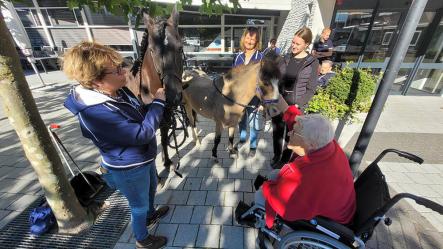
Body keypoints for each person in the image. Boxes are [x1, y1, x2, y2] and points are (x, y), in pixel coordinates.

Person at [63, 41, 169, 249]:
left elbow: (138, 113)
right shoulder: (96, 112)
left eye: (122, 65)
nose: (125, 71)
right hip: (128, 167)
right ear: (96, 81)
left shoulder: (118, 91)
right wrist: (158, 103)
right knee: (137, 205)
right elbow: (141, 134)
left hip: (143, 158)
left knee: (150, 190)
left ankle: (150, 214)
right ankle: (142, 238)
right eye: (117, 69)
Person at [255, 107, 356, 229]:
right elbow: (299, 125)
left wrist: (266, 187)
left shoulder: (306, 176)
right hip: (343, 205)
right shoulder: (328, 144)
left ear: (311, 144)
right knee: (275, 174)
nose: (288, 133)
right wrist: (279, 100)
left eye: (294, 132)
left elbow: (287, 210)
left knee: (260, 194)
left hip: (333, 222)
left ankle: (261, 223)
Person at [271, 27, 319, 167]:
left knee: (291, 136)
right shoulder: (284, 58)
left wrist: (297, 105)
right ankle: (276, 156)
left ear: (306, 45)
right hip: (279, 102)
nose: (294, 45)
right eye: (293, 42)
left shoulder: (312, 62)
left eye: (298, 44)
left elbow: (311, 89)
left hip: (295, 106)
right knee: (277, 132)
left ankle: (284, 160)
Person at [233, 27, 264, 157]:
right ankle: (242, 139)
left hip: (254, 98)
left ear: (257, 41)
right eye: (248, 37)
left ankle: (252, 145)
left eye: (253, 38)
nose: (249, 40)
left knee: (253, 122)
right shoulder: (238, 56)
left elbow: (264, 81)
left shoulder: (261, 57)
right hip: (239, 98)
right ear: (243, 38)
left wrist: (263, 102)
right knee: (241, 120)